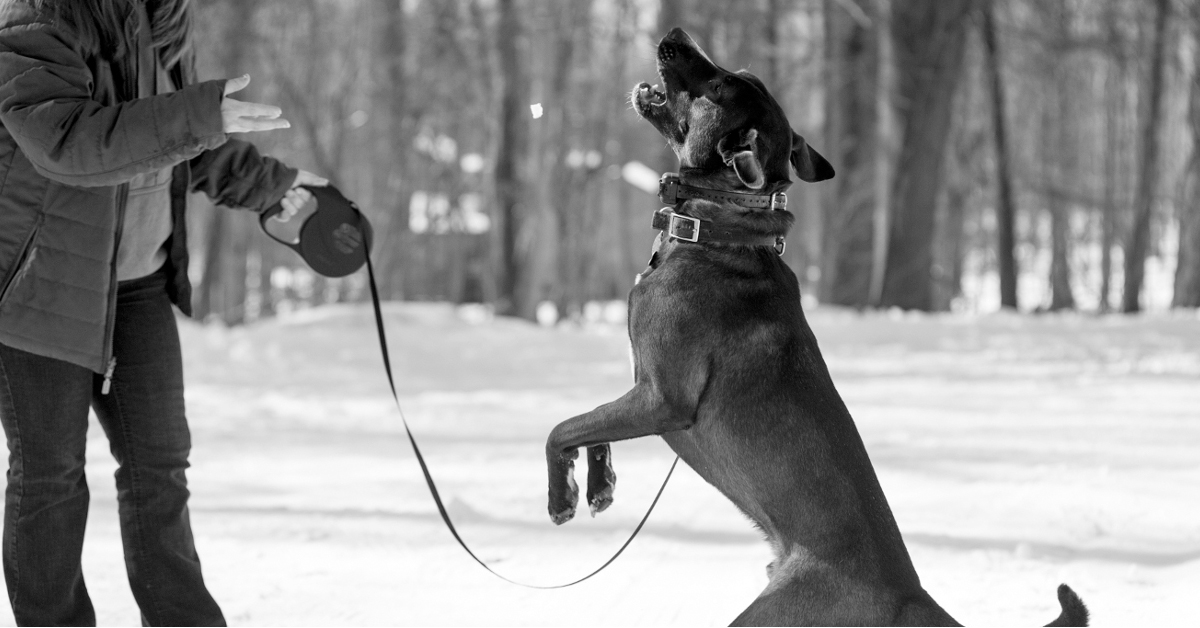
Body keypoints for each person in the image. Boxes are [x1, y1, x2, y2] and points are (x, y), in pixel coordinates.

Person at [0, 0, 325, 624]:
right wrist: (198, 113)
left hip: (138, 283)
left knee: (159, 468)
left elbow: (177, 140)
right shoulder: (33, 19)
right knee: (50, 479)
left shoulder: (157, 17)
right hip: (42, 285)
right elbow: (69, 143)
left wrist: (276, 187)